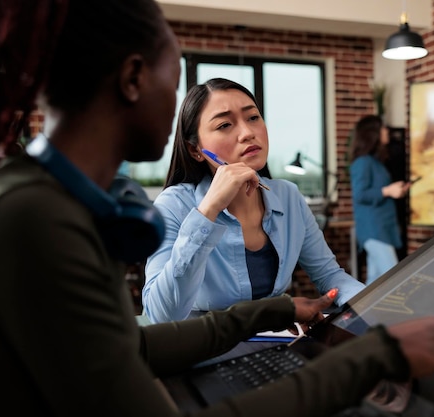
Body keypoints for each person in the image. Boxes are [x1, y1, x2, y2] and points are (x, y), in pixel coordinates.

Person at [0, 1, 434, 416]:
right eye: (174, 76)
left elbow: (136, 345)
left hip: (262, 344)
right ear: (134, 78)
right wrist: (377, 355)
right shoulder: (37, 221)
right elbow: (158, 326)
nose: (247, 132)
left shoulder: (55, 204)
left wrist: (286, 310)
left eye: (253, 116)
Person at [142, 78, 366, 323]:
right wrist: (208, 210)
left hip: (271, 345)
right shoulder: (175, 204)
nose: (248, 133)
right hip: (201, 350)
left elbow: (330, 275)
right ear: (196, 150)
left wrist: (375, 306)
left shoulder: (288, 196)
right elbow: (161, 317)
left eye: (253, 118)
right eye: (225, 125)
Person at [350, 115, 411, 284]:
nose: (387, 131)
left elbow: (379, 191)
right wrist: (388, 190)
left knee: (375, 283)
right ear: (373, 133)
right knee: (394, 280)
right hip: (374, 230)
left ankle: (364, 311)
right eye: (384, 128)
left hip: (382, 228)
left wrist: (395, 191)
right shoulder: (363, 162)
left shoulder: (375, 162)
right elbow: (360, 195)